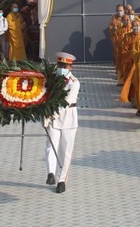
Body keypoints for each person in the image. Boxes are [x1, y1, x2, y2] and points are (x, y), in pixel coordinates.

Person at [45, 52, 80, 194]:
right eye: (60, 65)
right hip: (52, 118)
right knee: (51, 146)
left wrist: (51, 112)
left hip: (68, 118)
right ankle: (51, 174)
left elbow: (66, 102)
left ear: (70, 67)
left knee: (65, 151)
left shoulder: (74, 82)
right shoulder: (51, 79)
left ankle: (62, 180)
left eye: (65, 66)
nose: (62, 68)